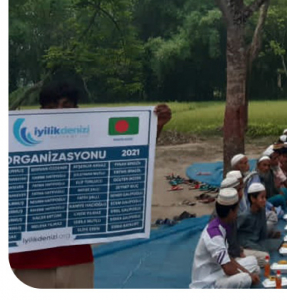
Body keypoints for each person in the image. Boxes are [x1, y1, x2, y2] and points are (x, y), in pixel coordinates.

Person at [11, 81, 172, 289]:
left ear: (76, 109)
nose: (59, 112)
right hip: (25, 263)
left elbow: (130, 155)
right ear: (41, 111)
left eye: (66, 105)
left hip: (77, 260)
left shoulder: (89, 141)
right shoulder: (14, 144)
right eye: (51, 107)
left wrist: (155, 126)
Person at [190, 189, 260, 289]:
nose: (237, 213)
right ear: (231, 211)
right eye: (237, 209)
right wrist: (249, 276)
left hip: (218, 271)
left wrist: (248, 272)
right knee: (245, 278)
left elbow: (228, 258)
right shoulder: (215, 234)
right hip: (207, 282)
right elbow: (228, 269)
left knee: (253, 262)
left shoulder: (222, 225)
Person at [236, 182, 279, 268]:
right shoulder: (244, 216)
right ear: (253, 198)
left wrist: (270, 236)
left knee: (279, 244)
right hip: (246, 245)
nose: (265, 200)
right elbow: (232, 232)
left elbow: (263, 234)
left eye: (265, 197)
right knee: (265, 257)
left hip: (257, 242)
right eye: (262, 197)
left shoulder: (262, 211)